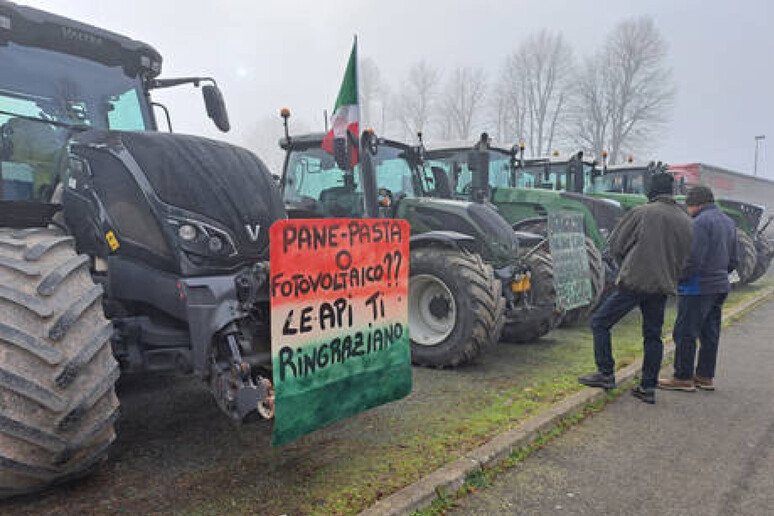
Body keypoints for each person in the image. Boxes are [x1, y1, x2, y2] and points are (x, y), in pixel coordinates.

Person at [578, 173, 693, 404]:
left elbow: (616, 245)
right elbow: (687, 258)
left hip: (635, 282)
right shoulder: (685, 220)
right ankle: (648, 387)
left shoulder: (642, 213)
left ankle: (606, 373)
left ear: (651, 191)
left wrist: (627, 264)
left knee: (600, 322)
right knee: (653, 336)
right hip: (662, 286)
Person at [659, 186, 737, 392]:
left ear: (697, 204)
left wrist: (679, 277)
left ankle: (683, 377)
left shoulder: (700, 223)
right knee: (710, 334)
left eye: (689, 206)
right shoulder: (728, 222)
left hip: (697, 287)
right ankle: (704, 376)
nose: (688, 210)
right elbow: (734, 259)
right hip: (720, 286)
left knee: (685, 332)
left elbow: (693, 258)